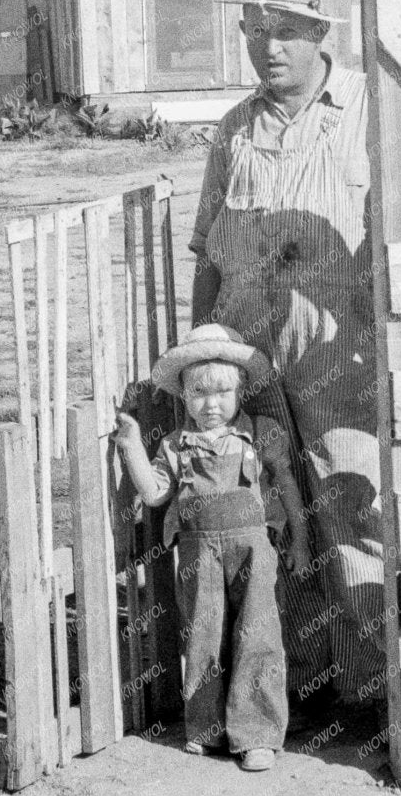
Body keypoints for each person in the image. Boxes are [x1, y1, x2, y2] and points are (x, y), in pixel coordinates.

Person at [189, 0, 401, 721]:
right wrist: (199, 353)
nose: (270, 47)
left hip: (337, 357)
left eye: (286, 31)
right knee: (269, 520)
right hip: (249, 362)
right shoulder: (233, 131)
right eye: (257, 31)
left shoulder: (373, 107)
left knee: (353, 509)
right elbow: (205, 256)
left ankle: (375, 695)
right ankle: (299, 693)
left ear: (321, 33)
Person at [116, 323, 309, 773]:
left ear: (241, 392)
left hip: (254, 551)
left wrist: (299, 540)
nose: (211, 404)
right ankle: (206, 728)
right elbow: (154, 494)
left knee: (257, 635)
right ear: (183, 395)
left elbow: (288, 487)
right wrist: (131, 447)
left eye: (222, 392)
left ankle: (257, 735)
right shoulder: (174, 446)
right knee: (203, 636)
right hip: (197, 554)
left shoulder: (261, 433)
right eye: (199, 393)